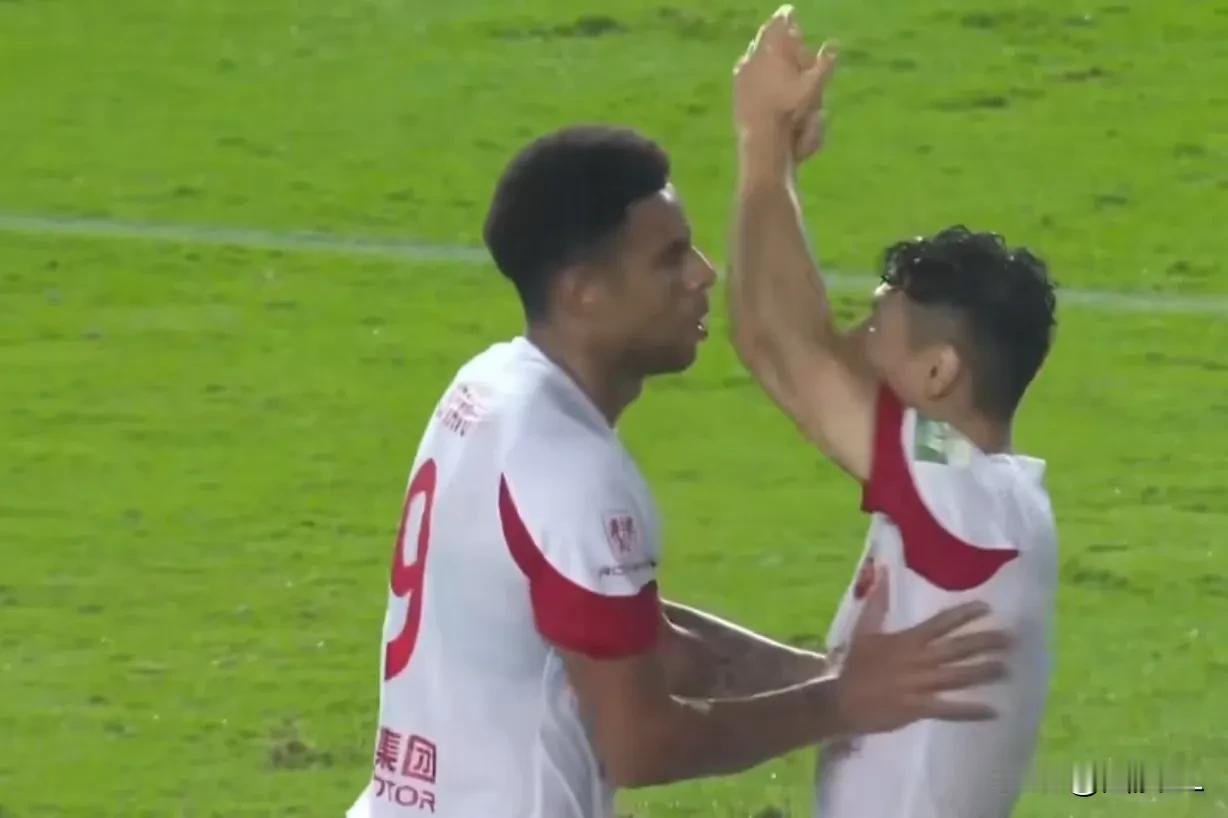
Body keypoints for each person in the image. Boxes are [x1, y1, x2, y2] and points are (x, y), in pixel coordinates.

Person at [346, 123, 1011, 818]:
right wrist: (842, 702)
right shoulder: (572, 470)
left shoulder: (488, 387)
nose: (702, 273)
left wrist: (827, 674)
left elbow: (646, 640)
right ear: (583, 292)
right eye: (669, 259)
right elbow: (642, 744)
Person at [728, 8, 1060, 818]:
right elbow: (771, 345)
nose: (853, 344)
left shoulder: (961, 499)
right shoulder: (980, 500)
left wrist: (762, 143)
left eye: (874, 329)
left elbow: (793, 350)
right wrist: (773, 167)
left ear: (940, 372)